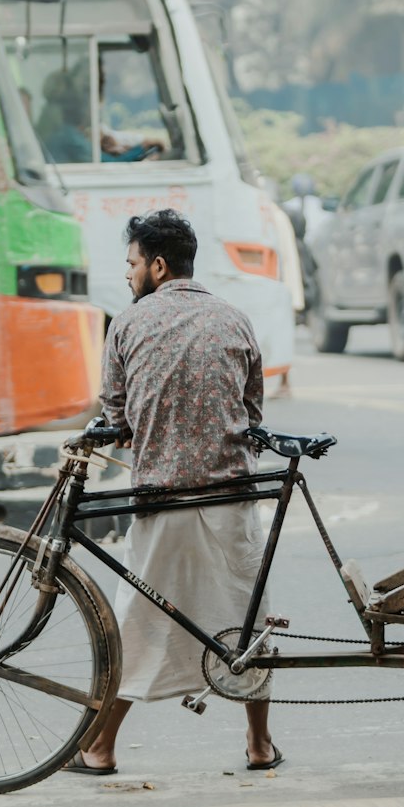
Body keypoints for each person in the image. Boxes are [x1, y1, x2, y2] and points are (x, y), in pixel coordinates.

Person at [66, 209, 282, 775]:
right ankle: (259, 745)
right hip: (230, 497)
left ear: (157, 265)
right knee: (246, 617)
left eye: (133, 263)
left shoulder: (128, 324)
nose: (130, 274)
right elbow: (252, 410)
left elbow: (116, 414)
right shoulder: (234, 318)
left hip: (162, 502)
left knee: (137, 622)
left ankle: (101, 746)